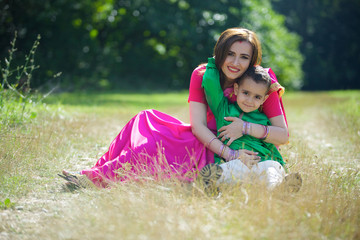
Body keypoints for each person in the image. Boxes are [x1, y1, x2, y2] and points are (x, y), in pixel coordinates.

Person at [59, 28, 290, 190]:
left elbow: (282, 134)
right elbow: (198, 126)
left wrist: (245, 128)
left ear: (253, 61)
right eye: (230, 54)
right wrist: (229, 154)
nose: (235, 62)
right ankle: (95, 176)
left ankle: (93, 178)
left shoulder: (261, 83)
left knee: (150, 150)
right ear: (220, 52)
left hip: (239, 148)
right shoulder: (202, 75)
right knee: (147, 129)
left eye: (244, 57)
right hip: (207, 139)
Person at [200, 59, 287, 191]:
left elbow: (273, 146)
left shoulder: (264, 121)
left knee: (273, 169)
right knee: (229, 170)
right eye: (246, 93)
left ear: (264, 99)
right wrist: (215, 60)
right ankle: (213, 180)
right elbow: (211, 84)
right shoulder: (225, 110)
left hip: (262, 163)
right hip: (237, 162)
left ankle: (277, 189)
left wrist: (246, 128)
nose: (249, 101)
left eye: (257, 97)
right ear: (236, 89)